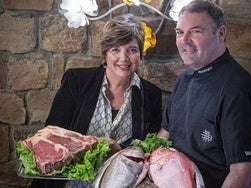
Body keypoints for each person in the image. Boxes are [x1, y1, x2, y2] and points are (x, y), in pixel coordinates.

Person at [31, 13, 162, 188]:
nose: (124, 58)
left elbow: (149, 147)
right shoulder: (76, 80)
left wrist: (120, 148)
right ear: (105, 53)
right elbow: (54, 132)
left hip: (120, 183)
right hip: (71, 181)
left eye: (132, 50)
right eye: (115, 49)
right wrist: (86, 146)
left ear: (140, 54)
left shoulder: (151, 94)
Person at [157, 0, 251, 187]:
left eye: (196, 31)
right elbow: (165, 133)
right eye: (180, 32)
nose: (184, 41)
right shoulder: (184, 78)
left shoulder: (239, 90)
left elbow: (243, 172)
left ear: (221, 33)